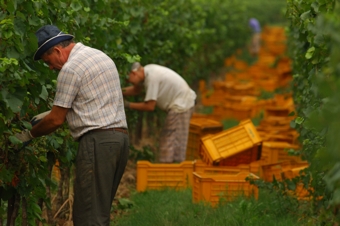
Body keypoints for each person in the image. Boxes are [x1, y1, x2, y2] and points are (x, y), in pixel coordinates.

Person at [14, 25, 129, 226]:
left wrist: (28, 135)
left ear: (58, 50)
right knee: (99, 212)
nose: (50, 68)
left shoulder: (71, 68)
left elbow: (56, 120)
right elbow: (90, 103)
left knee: (88, 217)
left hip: (97, 143)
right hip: (119, 141)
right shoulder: (98, 56)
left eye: (48, 62)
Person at [122, 63, 196, 163]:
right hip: (183, 101)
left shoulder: (152, 78)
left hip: (181, 105)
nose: (128, 82)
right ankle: (172, 170)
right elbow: (136, 90)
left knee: (170, 140)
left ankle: (170, 170)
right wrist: (118, 92)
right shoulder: (148, 70)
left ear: (134, 73)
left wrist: (127, 104)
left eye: (128, 79)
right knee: (173, 138)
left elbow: (150, 106)